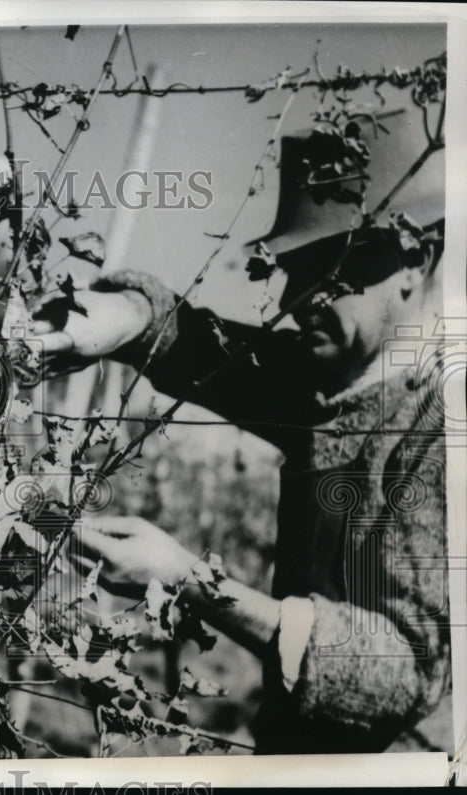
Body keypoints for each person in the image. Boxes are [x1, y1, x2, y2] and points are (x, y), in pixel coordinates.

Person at [31, 108, 452, 753]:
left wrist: (190, 578)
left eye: (331, 269)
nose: (300, 298)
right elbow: (215, 354)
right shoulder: (335, 379)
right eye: (294, 270)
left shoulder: (441, 427)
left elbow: (407, 670)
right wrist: (125, 316)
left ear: (416, 259)